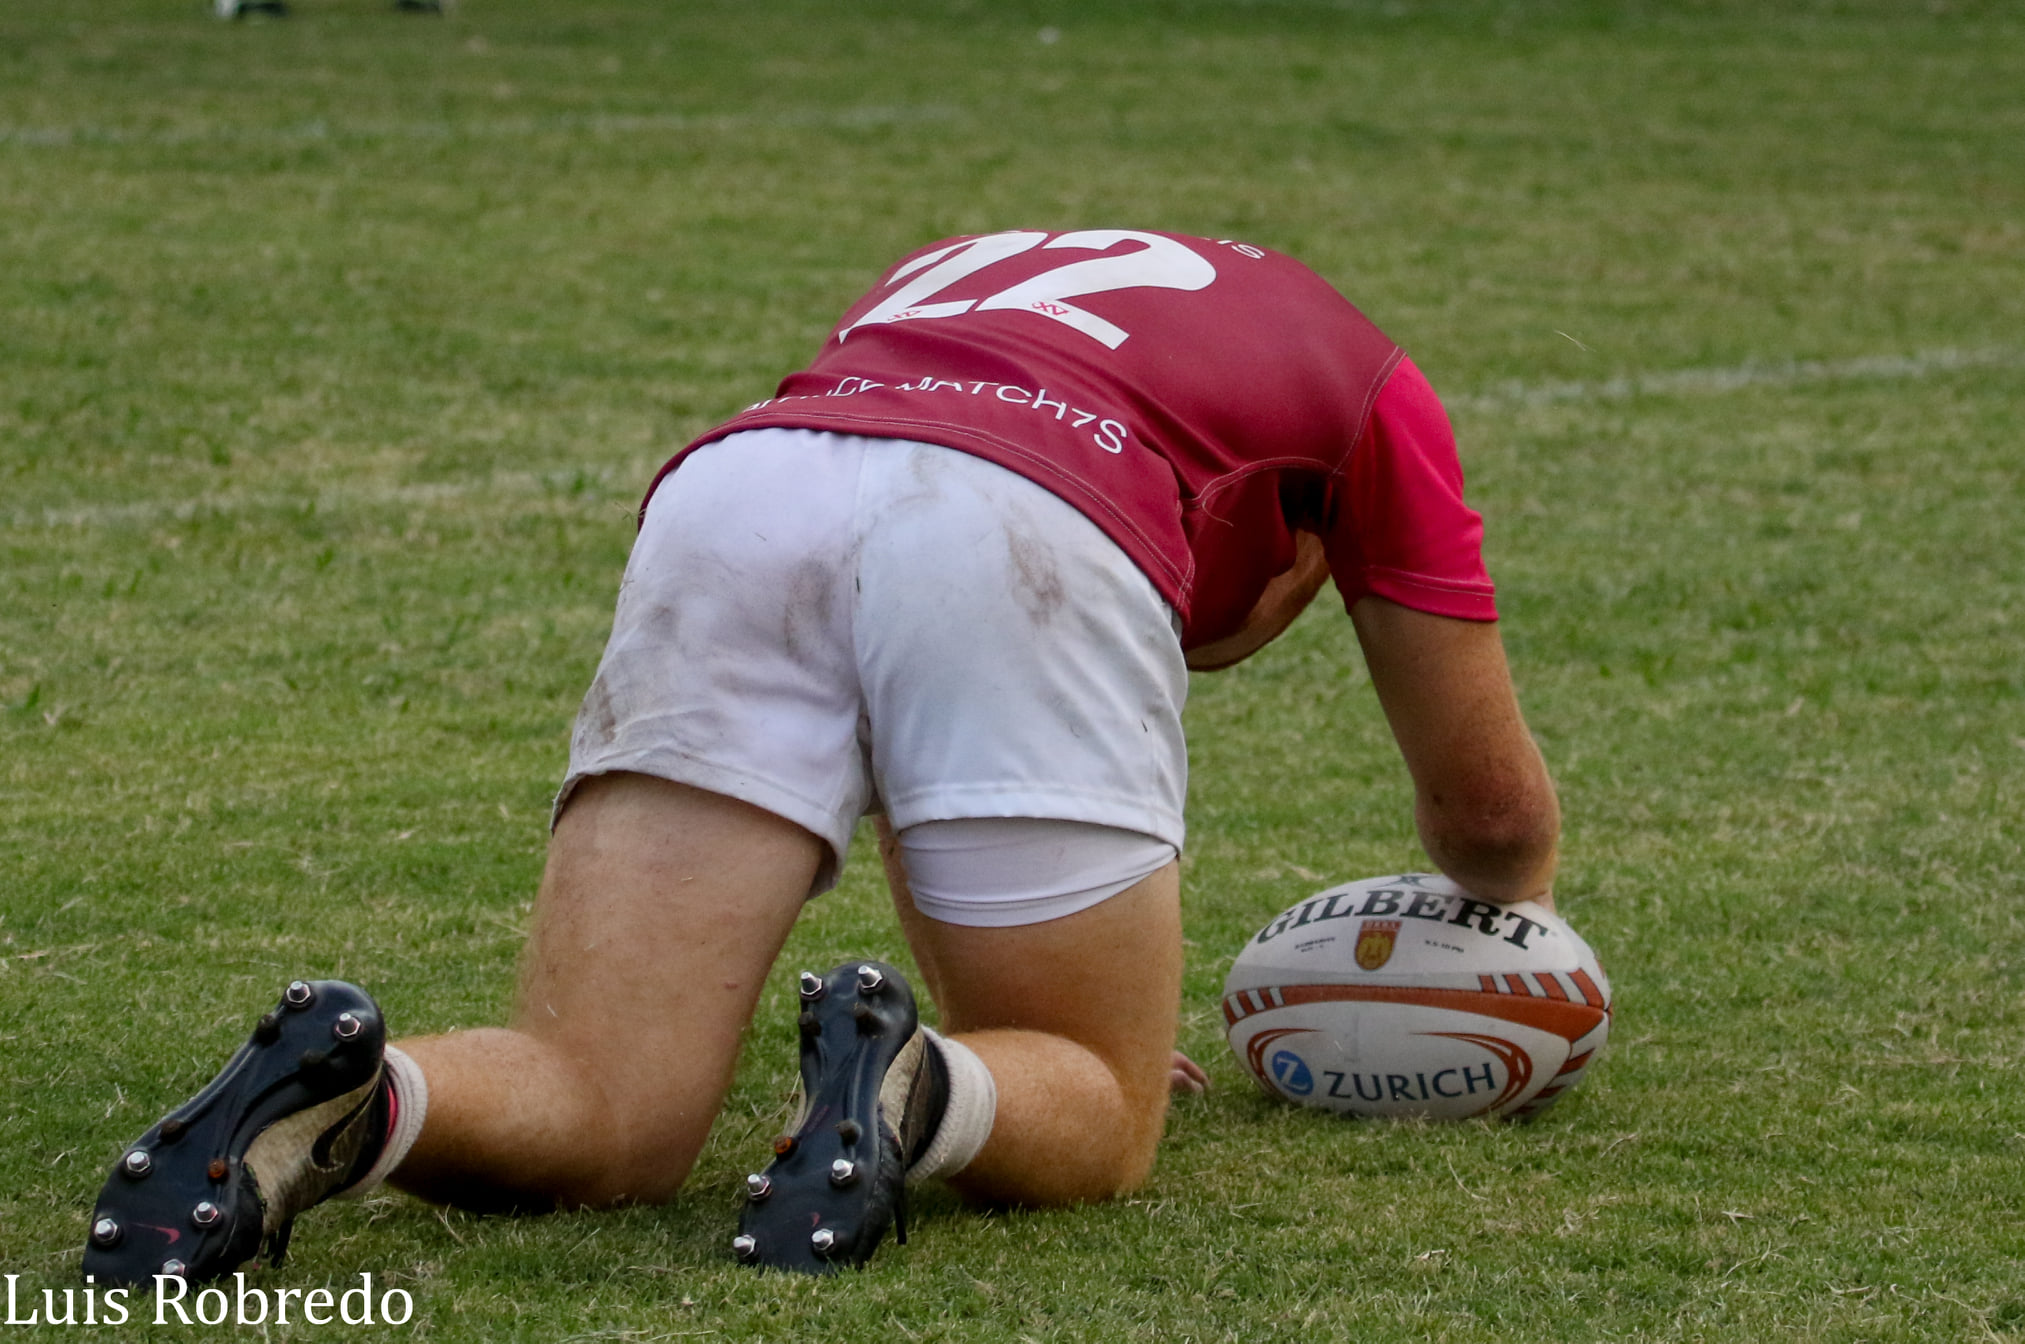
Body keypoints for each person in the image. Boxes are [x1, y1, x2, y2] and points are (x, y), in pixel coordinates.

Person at [82, 228, 1559, 1281]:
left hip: (743, 487)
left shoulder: (962, 263)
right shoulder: (1370, 388)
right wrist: (1524, 931)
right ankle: (919, 1085)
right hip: (1033, 516)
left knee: (603, 1103)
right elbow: (1488, 817)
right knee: (1098, 1110)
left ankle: (363, 1095)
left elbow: (901, 607)